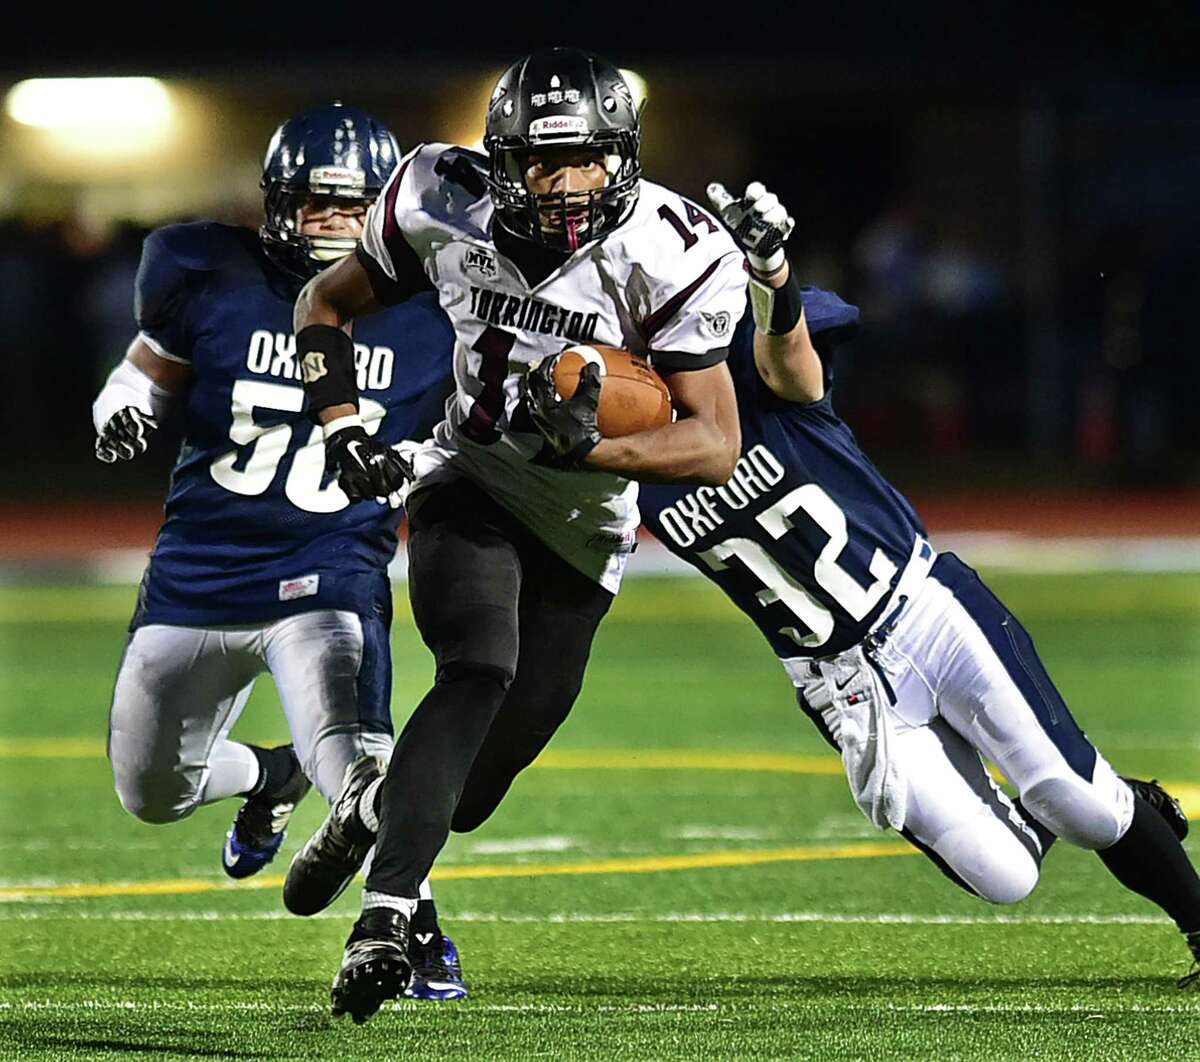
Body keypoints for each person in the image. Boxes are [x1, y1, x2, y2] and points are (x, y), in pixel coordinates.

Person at [633, 179, 1199, 988]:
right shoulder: (626, 458)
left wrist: (771, 272)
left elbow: (791, 363)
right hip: (839, 683)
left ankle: (1185, 900)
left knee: (1079, 804)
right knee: (1007, 877)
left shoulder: (752, 366)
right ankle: (1083, 802)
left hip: (923, 607)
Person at [283, 47, 747, 1022]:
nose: (558, 181)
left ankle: (371, 808)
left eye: (580, 158)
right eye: (536, 162)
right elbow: (322, 304)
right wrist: (343, 425)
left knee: (476, 790)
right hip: (473, 475)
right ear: (497, 158)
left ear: (620, 153)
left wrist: (598, 452)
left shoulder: (676, 247)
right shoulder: (436, 197)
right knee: (477, 667)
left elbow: (714, 440)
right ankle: (387, 917)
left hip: (585, 522)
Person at [92, 103, 467, 1001]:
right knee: (151, 793)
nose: (332, 223)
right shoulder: (207, 272)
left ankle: (414, 925)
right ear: (275, 204)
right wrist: (123, 411)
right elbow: (143, 370)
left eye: (351, 206)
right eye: (314, 203)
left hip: (328, 573)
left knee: (363, 770)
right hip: (200, 575)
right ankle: (270, 772)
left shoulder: (434, 310)